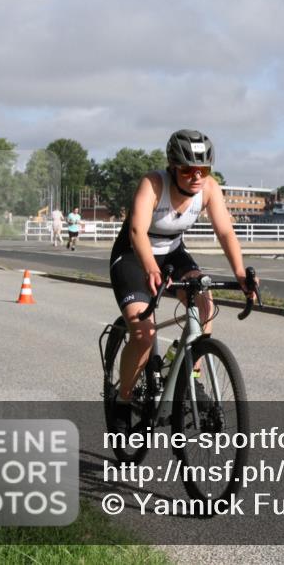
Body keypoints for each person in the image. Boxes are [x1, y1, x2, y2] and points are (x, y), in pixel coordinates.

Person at [109, 130, 256, 420]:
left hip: (173, 254)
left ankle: (191, 371)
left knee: (205, 303)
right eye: (188, 169)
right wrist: (150, 267)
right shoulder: (153, 184)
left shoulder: (210, 189)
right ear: (173, 166)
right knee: (143, 333)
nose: (196, 176)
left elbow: (225, 231)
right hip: (134, 256)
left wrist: (240, 273)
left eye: (203, 169)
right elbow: (137, 231)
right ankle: (123, 401)